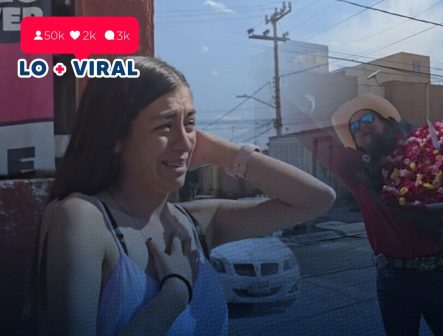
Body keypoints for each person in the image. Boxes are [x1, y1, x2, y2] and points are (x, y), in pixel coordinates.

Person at [33, 56, 335, 335]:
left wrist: (223, 152)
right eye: (164, 125)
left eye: (190, 123)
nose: (184, 142)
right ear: (115, 138)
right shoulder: (84, 219)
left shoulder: (195, 222)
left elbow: (317, 198)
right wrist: (175, 294)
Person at [298, 93, 443, 335]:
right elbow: (313, 138)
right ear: (355, 141)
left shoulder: (425, 154)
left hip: (441, 276)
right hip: (394, 281)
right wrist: (281, 99)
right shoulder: (355, 170)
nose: (363, 126)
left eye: (367, 118)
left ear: (386, 123)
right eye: (354, 126)